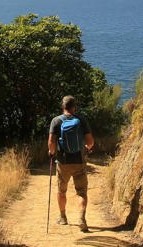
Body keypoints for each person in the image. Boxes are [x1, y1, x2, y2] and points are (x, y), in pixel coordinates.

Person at [48, 95, 95, 232]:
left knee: (61, 191)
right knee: (81, 192)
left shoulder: (56, 121)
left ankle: (63, 218)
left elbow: (51, 143)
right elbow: (90, 142)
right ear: (74, 107)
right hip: (79, 161)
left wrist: (51, 153)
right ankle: (81, 219)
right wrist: (87, 149)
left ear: (63, 107)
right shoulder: (81, 120)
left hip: (63, 162)